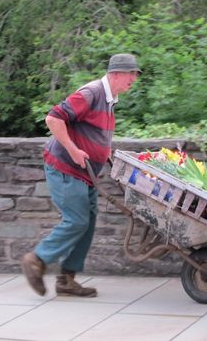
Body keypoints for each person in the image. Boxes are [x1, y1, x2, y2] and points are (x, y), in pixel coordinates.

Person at [21, 53, 141, 297]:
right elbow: (53, 118)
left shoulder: (110, 99)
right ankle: (36, 259)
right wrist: (74, 150)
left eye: (135, 75)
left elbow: (94, 133)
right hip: (66, 167)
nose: (134, 79)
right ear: (116, 73)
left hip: (85, 172)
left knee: (87, 223)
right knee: (77, 220)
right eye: (131, 74)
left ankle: (67, 279)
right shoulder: (91, 93)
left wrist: (104, 154)